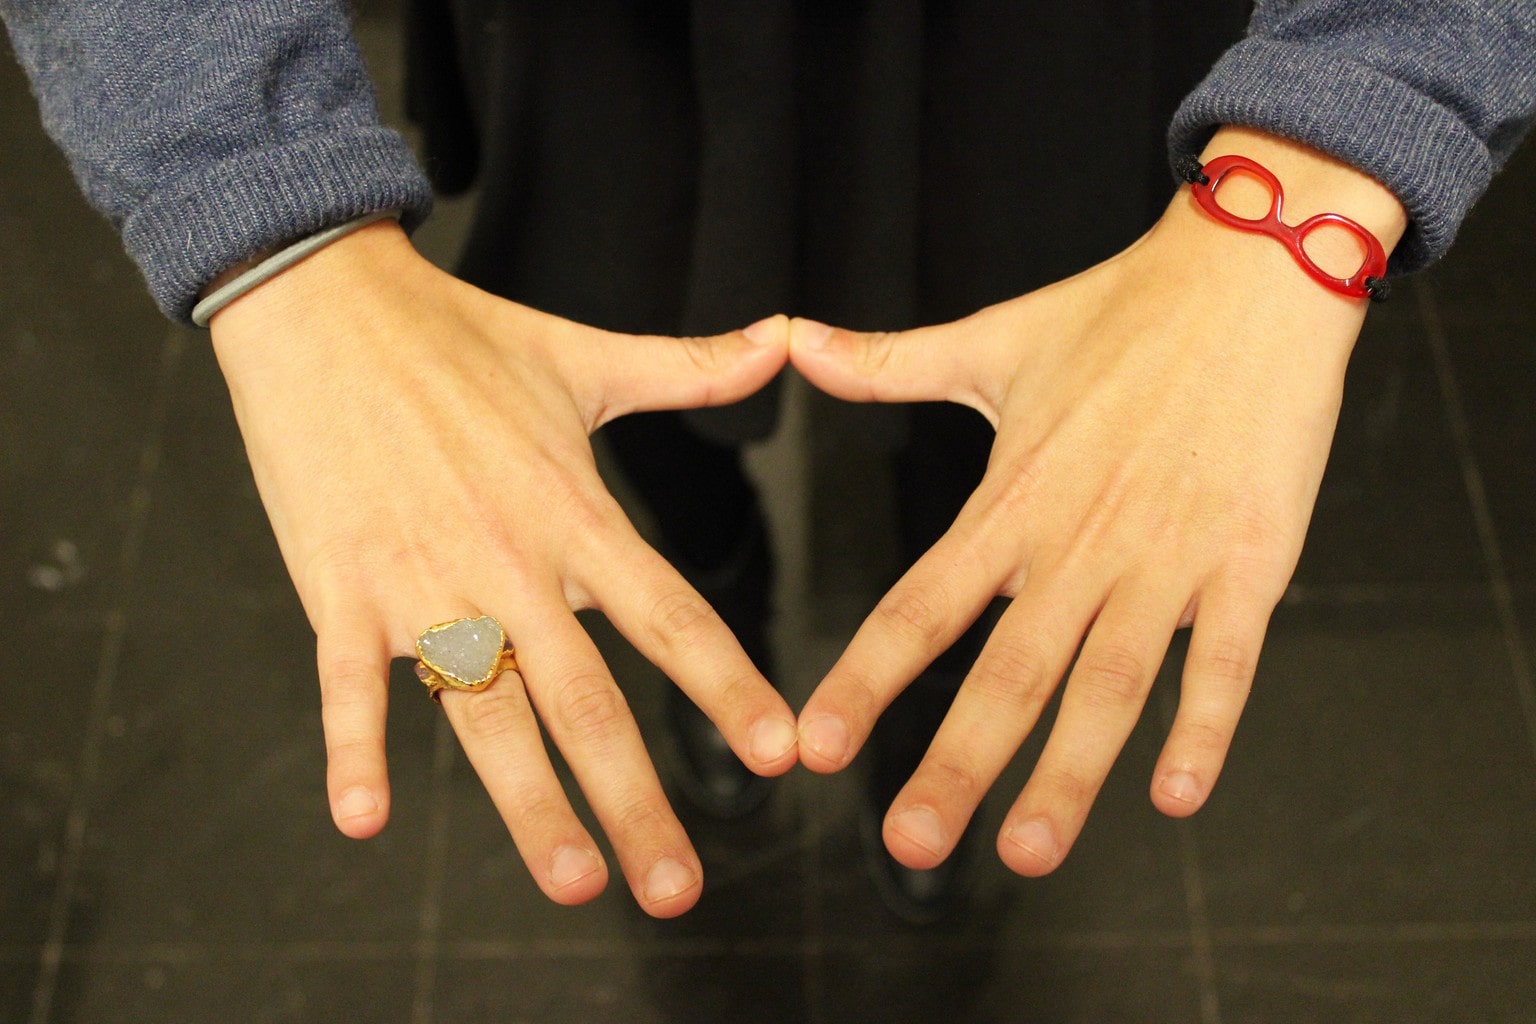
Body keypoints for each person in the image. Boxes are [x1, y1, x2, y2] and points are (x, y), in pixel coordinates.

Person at [2, 0, 1532, 926]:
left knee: (1028, 433)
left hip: (1060, 39)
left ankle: (924, 720)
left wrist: (1351, 126)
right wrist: (266, 214)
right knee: (608, 397)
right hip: (612, 41)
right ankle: (709, 640)